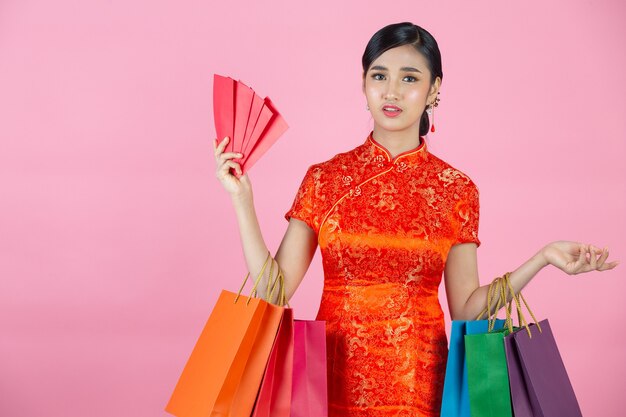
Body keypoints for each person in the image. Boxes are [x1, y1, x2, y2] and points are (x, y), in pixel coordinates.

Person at [212, 21, 618, 417]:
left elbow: (467, 311)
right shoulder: (325, 178)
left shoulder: (456, 189)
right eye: (379, 75)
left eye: (409, 78)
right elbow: (273, 291)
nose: (391, 91)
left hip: (419, 388)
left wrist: (543, 257)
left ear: (433, 89)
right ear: (364, 83)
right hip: (331, 382)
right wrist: (242, 201)